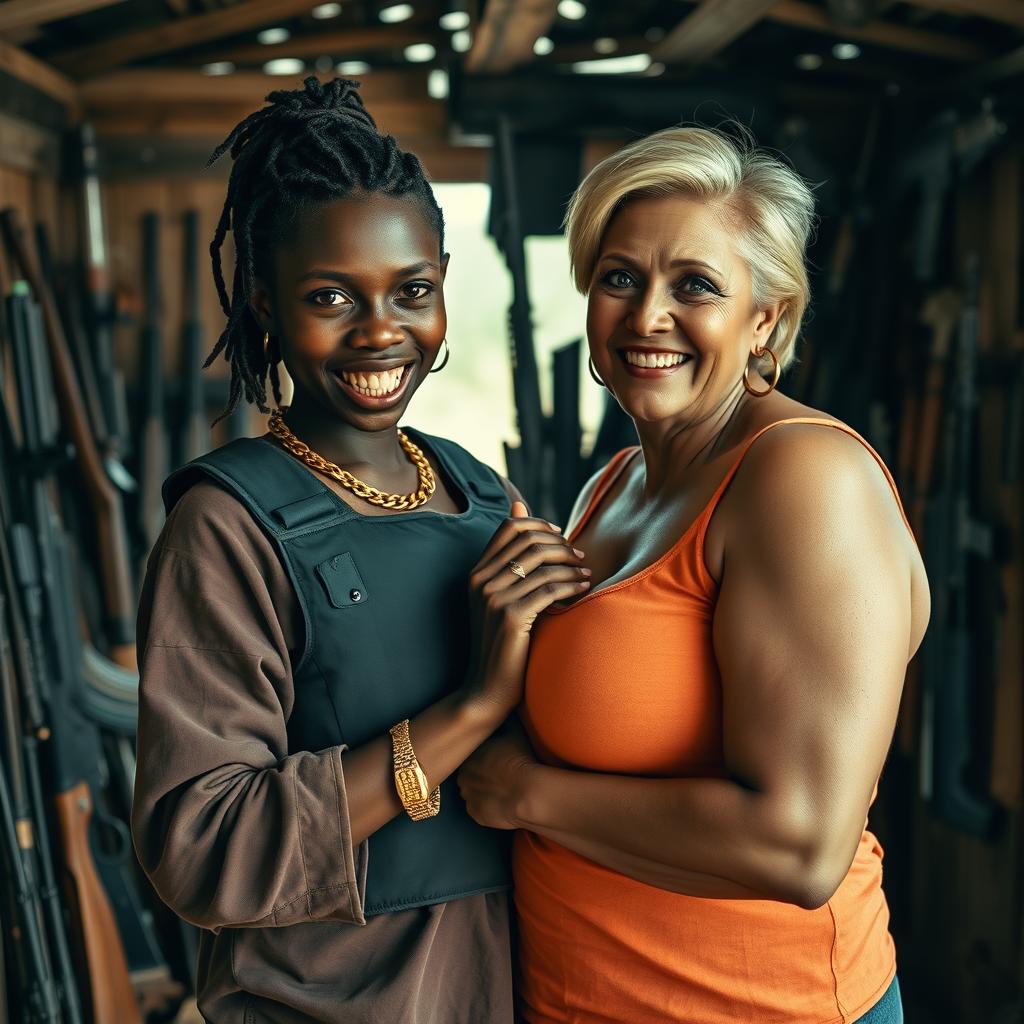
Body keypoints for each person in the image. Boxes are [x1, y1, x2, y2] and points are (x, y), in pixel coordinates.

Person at [130, 76, 590, 1024]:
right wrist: (471, 711)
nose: (382, 331)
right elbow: (201, 846)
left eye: (411, 291)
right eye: (331, 296)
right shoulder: (226, 527)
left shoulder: (482, 492)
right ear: (263, 304)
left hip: (509, 988)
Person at [457, 125, 928, 1024]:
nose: (645, 317)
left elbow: (800, 845)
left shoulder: (803, 480)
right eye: (619, 278)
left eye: (696, 286)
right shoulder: (615, 483)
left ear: (767, 321)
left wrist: (523, 794)